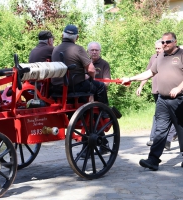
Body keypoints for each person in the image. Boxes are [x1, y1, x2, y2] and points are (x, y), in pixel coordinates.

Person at [122, 32, 183, 171]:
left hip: (180, 99)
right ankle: (153, 160)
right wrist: (131, 78)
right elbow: (150, 73)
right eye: (163, 42)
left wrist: (179, 88)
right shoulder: (160, 57)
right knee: (160, 130)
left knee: (181, 129)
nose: (165, 44)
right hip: (162, 99)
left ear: (175, 41)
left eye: (168, 42)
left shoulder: (181, 55)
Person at [51, 24, 109, 155]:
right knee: (99, 86)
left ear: (62, 35)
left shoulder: (55, 49)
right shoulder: (78, 49)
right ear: (76, 37)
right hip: (74, 88)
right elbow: (91, 69)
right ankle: (104, 113)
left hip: (56, 89)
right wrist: (90, 78)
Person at [136, 39, 177, 149]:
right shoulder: (154, 58)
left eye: (159, 48)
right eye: (156, 48)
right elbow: (148, 73)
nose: (157, 50)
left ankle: (167, 140)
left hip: (172, 92)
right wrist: (140, 85)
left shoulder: (173, 57)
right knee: (159, 116)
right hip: (156, 90)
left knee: (174, 117)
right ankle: (153, 140)